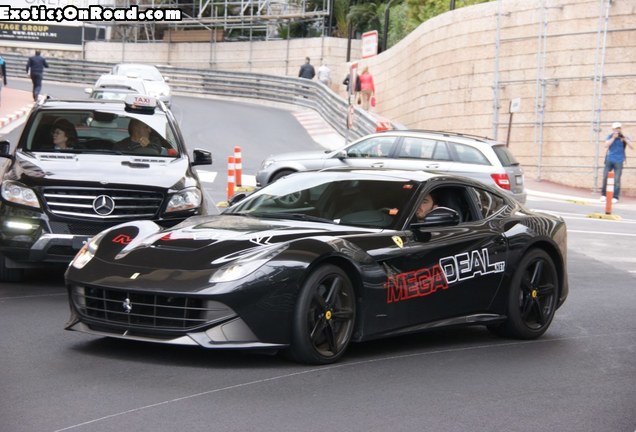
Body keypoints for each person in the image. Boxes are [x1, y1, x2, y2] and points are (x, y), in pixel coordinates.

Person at [600, 122, 633, 203]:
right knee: (605, 177)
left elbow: (632, 147)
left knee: (617, 179)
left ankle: (615, 197)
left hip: (619, 161)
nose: (617, 130)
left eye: (618, 128)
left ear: (620, 129)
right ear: (613, 129)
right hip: (609, 159)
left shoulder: (624, 137)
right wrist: (613, 138)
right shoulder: (610, 136)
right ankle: (603, 195)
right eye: (615, 129)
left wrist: (624, 139)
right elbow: (606, 145)